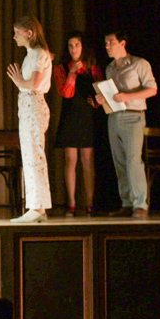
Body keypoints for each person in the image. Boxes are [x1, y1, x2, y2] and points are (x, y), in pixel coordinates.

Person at [94, 29, 157, 219]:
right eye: (106, 43)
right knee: (119, 161)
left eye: (111, 42)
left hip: (133, 116)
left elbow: (152, 89)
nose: (107, 46)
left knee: (133, 160)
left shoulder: (139, 64)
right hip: (114, 117)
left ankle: (140, 204)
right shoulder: (110, 68)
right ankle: (127, 203)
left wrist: (128, 96)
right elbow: (112, 94)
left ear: (122, 44)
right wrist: (102, 99)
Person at [6, 16, 54, 223]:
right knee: (29, 156)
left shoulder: (39, 53)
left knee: (34, 156)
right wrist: (20, 83)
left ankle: (38, 207)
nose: (14, 37)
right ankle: (37, 207)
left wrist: (19, 81)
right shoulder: (31, 55)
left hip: (34, 105)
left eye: (18, 33)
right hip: (27, 106)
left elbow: (34, 83)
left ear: (29, 33)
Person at [52, 31, 104, 216]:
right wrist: (72, 73)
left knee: (88, 161)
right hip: (70, 117)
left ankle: (89, 203)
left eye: (77, 45)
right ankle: (71, 203)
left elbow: (103, 91)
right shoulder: (61, 68)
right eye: (70, 46)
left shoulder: (93, 68)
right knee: (70, 160)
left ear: (83, 47)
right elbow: (66, 93)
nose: (73, 49)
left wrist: (97, 103)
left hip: (87, 117)